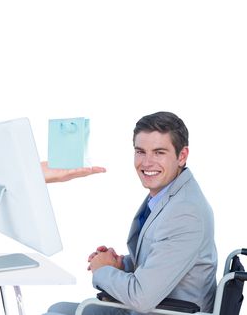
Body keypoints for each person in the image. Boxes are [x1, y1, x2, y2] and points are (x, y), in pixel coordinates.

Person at [46, 111, 217, 315]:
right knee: (59, 310)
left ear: (182, 156)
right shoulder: (168, 194)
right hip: (152, 307)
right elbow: (160, 259)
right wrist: (120, 264)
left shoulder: (186, 213)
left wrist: (102, 270)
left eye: (159, 152)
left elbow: (141, 296)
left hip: (160, 311)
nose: (146, 162)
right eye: (141, 151)